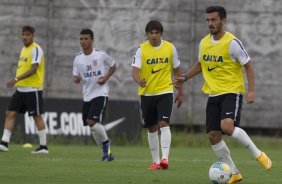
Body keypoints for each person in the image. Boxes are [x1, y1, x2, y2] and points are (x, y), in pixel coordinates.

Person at [176, 6, 272, 183]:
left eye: (214, 20)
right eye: (208, 20)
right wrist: (185, 77)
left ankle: (258, 154)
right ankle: (234, 173)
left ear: (223, 20)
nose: (210, 23)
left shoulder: (232, 43)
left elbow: (248, 66)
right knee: (213, 136)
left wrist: (251, 90)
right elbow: (200, 64)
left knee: (227, 126)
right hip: (213, 94)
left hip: (231, 91)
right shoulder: (204, 43)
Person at [132, 20, 183, 170]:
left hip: (165, 92)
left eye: (157, 33)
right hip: (147, 94)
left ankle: (165, 159)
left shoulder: (170, 48)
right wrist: (138, 80)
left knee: (163, 123)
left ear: (161, 34)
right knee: (151, 127)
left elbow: (177, 70)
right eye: (151, 33)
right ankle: (155, 162)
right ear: (147, 34)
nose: (154, 36)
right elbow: (135, 70)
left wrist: (180, 92)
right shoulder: (141, 49)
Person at [0, 26, 48, 154]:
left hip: (33, 89)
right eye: (23, 34)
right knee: (10, 113)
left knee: (37, 116)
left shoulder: (36, 49)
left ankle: (43, 147)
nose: (25, 37)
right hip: (21, 90)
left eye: (28, 34)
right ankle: (4, 143)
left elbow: (33, 69)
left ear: (33, 35)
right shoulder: (23, 49)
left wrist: (15, 79)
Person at [73, 29, 116, 161]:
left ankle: (106, 146)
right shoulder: (78, 58)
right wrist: (77, 79)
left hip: (100, 93)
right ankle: (106, 152)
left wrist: (106, 78)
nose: (83, 41)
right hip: (87, 95)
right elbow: (75, 77)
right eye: (81, 39)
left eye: (86, 39)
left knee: (92, 121)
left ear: (92, 40)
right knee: (90, 125)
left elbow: (113, 66)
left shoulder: (100, 55)